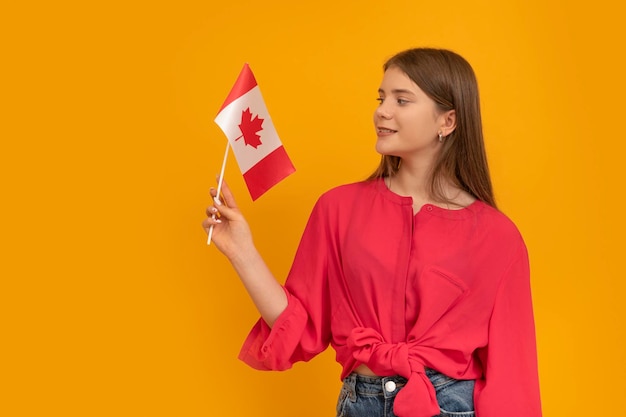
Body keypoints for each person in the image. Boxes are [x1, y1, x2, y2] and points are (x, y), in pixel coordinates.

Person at [202, 48, 542, 417]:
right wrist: (242, 252)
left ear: (448, 121)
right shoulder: (339, 209)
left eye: (402, 99)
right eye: (381, 98)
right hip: (360, 403)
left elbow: (512, 374)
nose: (382, 110)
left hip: (448, 405)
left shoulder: (496, 236)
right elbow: (301, 328)